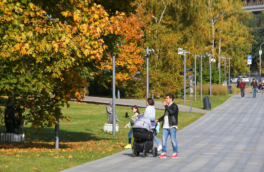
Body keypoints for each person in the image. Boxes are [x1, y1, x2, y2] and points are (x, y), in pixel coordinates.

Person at [155, 93, 179, 159]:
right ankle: (164, 153)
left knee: (173, 140)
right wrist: (159, 120)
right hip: (165, 126)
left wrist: (166, 106)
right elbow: (165, 115)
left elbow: (171, 113)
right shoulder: (167, 106)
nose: (166, 99)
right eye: (166, 98)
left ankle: (175, 153)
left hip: (172, 126)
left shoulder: (174, 106)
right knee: (163, 139)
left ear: (171, 99)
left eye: (167, 98)